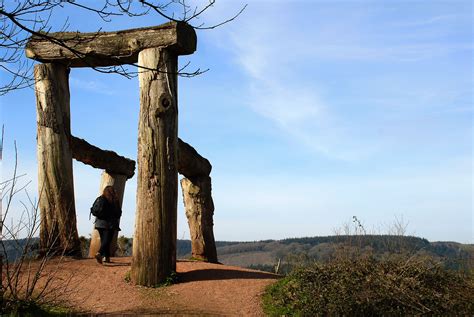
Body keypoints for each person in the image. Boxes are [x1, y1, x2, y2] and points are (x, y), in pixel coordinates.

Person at [92, 185, 122, 264]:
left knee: (104, 241)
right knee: (107, 241)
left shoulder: (100, 198)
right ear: (113, 192)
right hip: (109, 224)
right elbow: (118, 213)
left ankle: (106, 257)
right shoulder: (114, 200)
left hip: (99, 223)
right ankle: (99, 253)